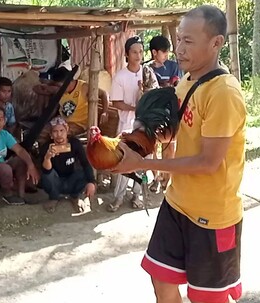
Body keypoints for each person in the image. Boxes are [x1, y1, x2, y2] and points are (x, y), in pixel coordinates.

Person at [110, 5, 252, 303]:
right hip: (178, 204)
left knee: (205, 299)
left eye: (189, 40)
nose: (180, 47)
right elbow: (174, 133)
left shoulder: (224, 93)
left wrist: (144, 168)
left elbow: (208, 162)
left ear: (216, 42)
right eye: (179, 40)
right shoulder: (187, 82)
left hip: (213, 212)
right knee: (162, 280)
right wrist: (140, 141)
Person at [108, 36, 158, 212]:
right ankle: (118, 197)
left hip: (146, 126)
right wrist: (136, 106)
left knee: (144, 161)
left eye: (140, 51)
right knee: (125, 161)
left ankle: (137, 194)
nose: (138, 55)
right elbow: (116, 103)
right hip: (127, 125)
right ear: (127, 54)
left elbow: (155, 95)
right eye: (134, 52)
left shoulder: (148, 73)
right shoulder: (120, 76)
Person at [33, 66, 110, 144]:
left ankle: (60, 153)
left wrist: (105, 111)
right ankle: (45, 153)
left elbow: (104, 94)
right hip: (62, 121)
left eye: (60, 86)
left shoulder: (83, 87)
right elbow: (36, 88)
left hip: (79, 124)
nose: (59, 88)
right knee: (40, 131)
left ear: (69, 82)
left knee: (59, 134)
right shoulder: (59, 89)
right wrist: (48, 87)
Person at [147, 35, 182, 192]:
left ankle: (167, 181)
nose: (167, 55)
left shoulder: (173, 66)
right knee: (153, 147)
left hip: (169, 114)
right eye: (164, 52)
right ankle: (155, 178)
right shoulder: (146, 69)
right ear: (155, 52)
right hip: (152, 114)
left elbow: (177, 85)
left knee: (169, 147)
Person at [38, 117, 96, 213]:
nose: (59, 135)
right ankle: (54, 198)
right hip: (55, 182)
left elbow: (85, 163)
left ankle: (74, 197)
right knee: (47, 176)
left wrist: (91, 182)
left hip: (70, 180)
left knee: (83, 172)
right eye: (55, 131)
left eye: (62, 130)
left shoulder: (75, 143)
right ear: (51, 135)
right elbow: (46, 172)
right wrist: (47, 157)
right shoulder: (47, 147)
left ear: (67, 131)